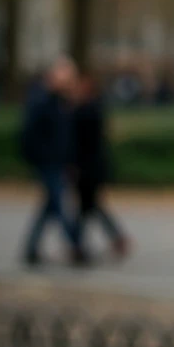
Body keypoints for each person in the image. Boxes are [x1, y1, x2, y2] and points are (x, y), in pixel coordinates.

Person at [18, 55, 88, 266]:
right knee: (58, 204)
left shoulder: (61, 101)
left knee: (50, 205)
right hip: (47, 162)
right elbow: (30, 134)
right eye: (66, 75)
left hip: (58, 161)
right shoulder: (40, 100)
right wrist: (40, 157)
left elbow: (67, 135)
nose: (69, 80)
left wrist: (70, 160)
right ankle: (76, 245)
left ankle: (31, 248)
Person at [70, 70, 130, 260]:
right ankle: (82, 243)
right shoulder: (94, 109)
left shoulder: (86, 111)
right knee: (90, 207)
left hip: (88, 168)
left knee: (87, 207)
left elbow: (80, 142)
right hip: (92, 167)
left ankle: (78, 244)